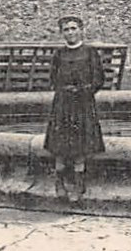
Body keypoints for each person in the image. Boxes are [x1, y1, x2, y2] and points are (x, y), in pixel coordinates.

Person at [45, 15, 105, 201]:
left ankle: (79, 184)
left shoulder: (90, 52)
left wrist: (83, 91)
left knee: (81, 145)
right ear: (62, 33)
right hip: (63, 104)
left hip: (83, 103)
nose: (70, 33)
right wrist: (64, 90)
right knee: (60, 146)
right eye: (66, 30)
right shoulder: (59, 54)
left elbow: (98, 79)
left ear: (81, 30)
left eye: (73, 28)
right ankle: (60, 182)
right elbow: (53, 78)